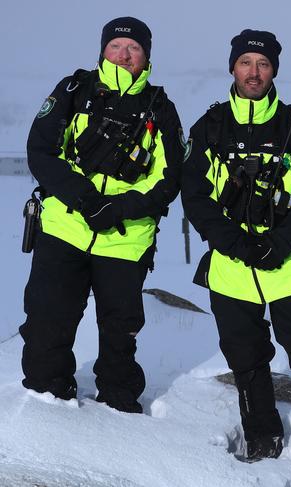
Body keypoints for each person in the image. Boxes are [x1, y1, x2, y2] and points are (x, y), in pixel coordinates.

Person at [181, 29, 291, 486]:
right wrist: (233, 242)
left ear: (274, 70)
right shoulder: (210, 126)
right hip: (233, 266)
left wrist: (283, 241)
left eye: (263, 64)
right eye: (246, 63)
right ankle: (262, 440)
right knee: (246, 357)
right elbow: (193, 194)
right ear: (232, 68)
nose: (254, 73)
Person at [21, 17, 184, 414]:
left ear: (146, 56)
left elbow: (169, 177)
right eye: (116, 46)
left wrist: (118, 208)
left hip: (126, 240)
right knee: (47, 320)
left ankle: (117, 403)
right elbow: (41, 150)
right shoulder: (74, 90)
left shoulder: (160, 108)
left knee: (119, 333)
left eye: (134, 48)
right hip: (64, 229)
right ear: (103, 50)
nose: (124, 55)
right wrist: (84, 198)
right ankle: (48, 396)